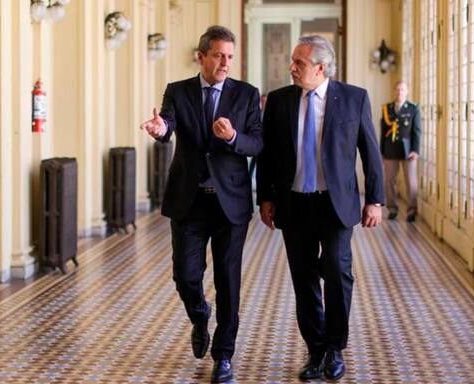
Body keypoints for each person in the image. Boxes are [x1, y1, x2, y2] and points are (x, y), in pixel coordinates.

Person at [256, 35, 385, 381]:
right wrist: (265, 198)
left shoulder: (353, 99)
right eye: (293, 61)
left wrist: (375, 199)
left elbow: (370, 151)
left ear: (321, 67)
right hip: (294, 203)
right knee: (304, 278)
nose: (291, 68)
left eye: (299, 63)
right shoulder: (281, 101)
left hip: (336, 204)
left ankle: (335, 348)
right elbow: (268, 154)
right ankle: (315, 350)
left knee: (338, 274)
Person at [140, 25, 262, 383]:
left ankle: (223, 356)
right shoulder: (178, 91)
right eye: (219, 56)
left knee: (228, 281)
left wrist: (235, 137)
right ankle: (199, 314)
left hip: (231, 204)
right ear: (202, 57)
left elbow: (257, 143)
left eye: (229, 57)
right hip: (189, 201)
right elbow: (168, 124)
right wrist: (161, 129)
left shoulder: (246, 94)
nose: (225, 63)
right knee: (185, 275)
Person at [380, 81, 422, 222]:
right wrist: (381, 151)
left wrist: (415, 150)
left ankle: (412, 210)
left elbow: (417, 131)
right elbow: (383, 131)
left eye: (402, 90)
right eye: (397, 89)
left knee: (411, 181)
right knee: (389, 181)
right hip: (390, 149)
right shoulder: (387, 108)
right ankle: (392, 209)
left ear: (407, 91)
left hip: (408, 150)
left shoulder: (413, 108)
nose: (399, 92)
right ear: (394, 91)